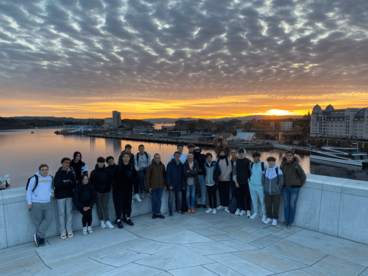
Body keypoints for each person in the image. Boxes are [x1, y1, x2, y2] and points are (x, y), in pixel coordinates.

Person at [27, 164, 54, 247]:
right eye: (43, 170)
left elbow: (51, 187)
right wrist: (29, 202)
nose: (45, 171)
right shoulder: (34, 178)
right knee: (38, 222)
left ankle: (38, 235)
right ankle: (41, 238)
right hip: (36, 202)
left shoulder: (50, 178)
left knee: (49, 218)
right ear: (39, 171)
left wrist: (52, 192)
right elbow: (29, 190)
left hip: (48, 202)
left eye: (46, 169)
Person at [280, 150, 306, 229]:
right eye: (287, 155)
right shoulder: (282, 165)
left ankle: (291, 222)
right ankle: (286, 220)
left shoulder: (296, 165)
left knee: (292, 205)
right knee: (286, 204)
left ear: (293, 156)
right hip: (285, 188)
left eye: (290, 155)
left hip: (294, 188)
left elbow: (303, 176)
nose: (289, 157)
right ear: (285, 156)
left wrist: (298, 185)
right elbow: (279, 175)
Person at [113, 151, 139, 228]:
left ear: (130, 158)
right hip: (119, 191)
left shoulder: (131, 167)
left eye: (128, 157)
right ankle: (118, 220)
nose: (126, 158)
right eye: (125, 157)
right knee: (119, 205)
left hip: (128, 190)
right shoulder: (118, 167)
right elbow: (114, 178)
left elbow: (135, 177)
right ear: (122, 158)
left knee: (128, 205)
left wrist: (131, 182)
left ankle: (127, 218)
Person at [54, 158, 76, 239]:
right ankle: (62, 231)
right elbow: (58, 185)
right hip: (60, 197)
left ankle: (69, 229)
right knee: (61, 214)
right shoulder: (58, 173)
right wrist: (68, 182)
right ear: (62, 163)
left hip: (69, 195)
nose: (67, 164)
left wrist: (65, 183)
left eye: (68, 163)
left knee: (69, 213)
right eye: (65, 163)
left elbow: (73, 183)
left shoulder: (70, 173)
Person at [90, 157, 114, 229]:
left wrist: (108, 190)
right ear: (97, 162)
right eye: (100, 162)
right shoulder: (93, 172)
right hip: (98, 192)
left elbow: (109, 181)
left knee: (105, 207)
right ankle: (101, 220)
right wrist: (94, 192)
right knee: (99, 207)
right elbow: (92, 184)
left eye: (102, 162)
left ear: (104, 163)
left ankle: (107, 221)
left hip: (106, 192)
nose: (101, 164)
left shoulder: (107, 171)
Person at [262, 156, 284, 226]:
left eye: (272, 161)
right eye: (269, 161)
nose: (271, 162)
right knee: (268, 205)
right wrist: (265, 187)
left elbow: (281, 181)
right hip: (267, 192)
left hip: (276, 193)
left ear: (274, 162)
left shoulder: (278, 170)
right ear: (268, 162)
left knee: (276, 206)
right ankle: (269, 217)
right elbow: (263, 180)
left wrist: (277, 188)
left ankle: (275, 219)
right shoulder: (265, 170)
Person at [232, 148, 252, 217]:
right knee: (241, 197)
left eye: (242, 153)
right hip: (239, 183)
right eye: (239, 153)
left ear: (244, 153)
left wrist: (249, 179)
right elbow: (234, 173)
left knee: (247, 197)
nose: (241, 154)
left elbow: (251, 172)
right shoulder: (235, 162)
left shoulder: (248, 161)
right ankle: (243, 209)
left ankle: (248, 210)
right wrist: (235, 181)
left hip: (246, 182)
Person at [146, 153, 166, 219]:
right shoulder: (150, 166)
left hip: (160, 186)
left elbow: (164, 176)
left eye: (158, 158)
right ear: (154, 159)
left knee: (159, 200)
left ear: (160, 158)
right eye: (156, 158)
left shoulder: (162, 166)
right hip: (153, 187)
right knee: (153, 200)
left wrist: (165, 184)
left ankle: (158, 212)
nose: (157, 159)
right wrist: (148, 187)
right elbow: (147, 177)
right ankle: (154, 213)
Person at [249, 152, 267, 222]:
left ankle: (264, 215)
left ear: (259, 157)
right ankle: (256, 213)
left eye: (256, 157)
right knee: (254, 200)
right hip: (252, 185)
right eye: (254, 157)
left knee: (262, 201)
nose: (255, 159)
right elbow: (251, 173)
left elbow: (266, 175)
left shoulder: (263, 165)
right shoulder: (251, 164)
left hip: (260, 186)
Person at [166, 151, 186, 215]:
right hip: (172, 184)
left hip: (179, 184)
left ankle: (179, 209)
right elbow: (167, 175)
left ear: (179, 157)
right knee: (171, 199)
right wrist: (169, 184)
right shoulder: (170, 164)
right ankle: (170, 211)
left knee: (179, 198)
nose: (177, 157)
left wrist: (183, 185)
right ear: (174, 156)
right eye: (175, 156)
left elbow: (183, 176)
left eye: (178, 156)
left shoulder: (181, 165)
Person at [230, 148, 241, 215]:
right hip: (232, 180)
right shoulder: (230, 160)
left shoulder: (239, 160)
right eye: (232, 153)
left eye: (234, 152)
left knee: (239, 194)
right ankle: (234, 206)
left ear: (236, 153)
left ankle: (239, 208)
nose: (233, 154)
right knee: (233, 194)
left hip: (239, 180)